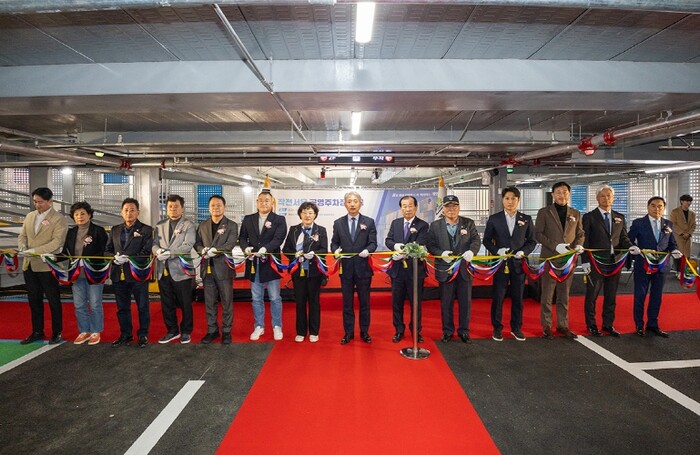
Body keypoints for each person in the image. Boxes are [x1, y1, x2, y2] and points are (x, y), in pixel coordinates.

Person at [483, 187, 536, 342]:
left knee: (518, 297)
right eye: (507, 198)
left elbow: (532, 241)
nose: (510, 202)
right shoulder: (494, 219)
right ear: (502, 200)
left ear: (518, 200)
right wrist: (497, 250)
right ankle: (497, 328)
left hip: (519, 264)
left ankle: (516, 327)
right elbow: (486, 240)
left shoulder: (526, 219)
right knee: (498, 297)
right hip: (501, 264)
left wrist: (524, 251)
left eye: (513, 198)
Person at [17, 187, 68, 344]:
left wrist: (34, 251)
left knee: (53, 300)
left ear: (50, 201)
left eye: (40, 202)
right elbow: (22, 236)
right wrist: (23, 248)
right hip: (29, 265)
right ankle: (37, 331)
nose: (37, 205)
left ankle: (57, 332)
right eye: (35, 202)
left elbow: (56, 242)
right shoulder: (30, 216)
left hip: (47, 266)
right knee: (34, 300)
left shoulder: (59, 219)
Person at [427, 195, 481, 343]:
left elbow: (476, 240)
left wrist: (472, 251)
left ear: (459, 207)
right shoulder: (435, 226)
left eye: (454, 206)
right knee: (446, 302)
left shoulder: (468, 223)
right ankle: (447, 331)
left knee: (465, 302)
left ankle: (464, 331)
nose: (451, 209)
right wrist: (441, 253)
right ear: (443, 209)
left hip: (464, 269)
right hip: (445, 269)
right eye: (448, 206)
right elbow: (430, 245)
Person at [534, 182, 584, 340]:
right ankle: (547, 326)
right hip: (550, 258)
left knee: (564, 294)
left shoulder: (576, 213)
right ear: (553, 195)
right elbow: (538, 234)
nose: (562, 195)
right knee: (547, 295)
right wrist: (555, 246)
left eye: (565, 192)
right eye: (558, 192)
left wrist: (579, 245)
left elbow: (580, 233)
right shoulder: (544, 212)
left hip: (569, 260)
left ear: (569, 194)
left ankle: (563, 325)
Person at [581, 185, 632, 337]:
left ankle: (608, 324)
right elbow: (585, 241)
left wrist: (631, 247)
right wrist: (584, 261)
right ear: (597, 198)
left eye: (609, 195)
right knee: (592, 296)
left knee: (611, 296)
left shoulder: (620, 217)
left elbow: (623, 238)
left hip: (614, 262)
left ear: (613, 198)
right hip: (595, 262)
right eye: (602, 196)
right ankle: (591, 325)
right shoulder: (589, 217)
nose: (606, 198)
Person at [628, 196, 681, 338]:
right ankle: (639, 325)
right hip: (643, 265)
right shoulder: (638, 223)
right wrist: (633, 247)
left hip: (661, 266)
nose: (657, 209)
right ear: (648, 207)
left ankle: (653, 324)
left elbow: (671, 243)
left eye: (660, 206)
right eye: (653, 205)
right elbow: (628, 240)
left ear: (663, 208)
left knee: (657, 296)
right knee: (640, 296)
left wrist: (675, 250)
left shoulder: (668, 224)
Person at [105, 198, 154, 348]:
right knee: (122, 307)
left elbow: (146, 251)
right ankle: (125, 334)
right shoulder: (115, 230)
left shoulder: (146, 230)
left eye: (132, 210)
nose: (129, 213)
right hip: (118, 274)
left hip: (138, 274)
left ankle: (143, 334)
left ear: (138, 212)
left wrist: (129, 259)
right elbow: (107, 250)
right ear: (121, 212)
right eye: (126, 210)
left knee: (142, 306)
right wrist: (114, 258)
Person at [239, 191, 287, 341]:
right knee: (256, 297)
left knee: (275, 297)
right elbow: (242, 237)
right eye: (260, 200)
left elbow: (279, 238)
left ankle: (277, 325)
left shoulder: (279, 219)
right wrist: (245, 248)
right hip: (254, 262)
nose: (263, 203)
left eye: (267, 200)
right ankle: (259, 326)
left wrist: (266, 248)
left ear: (272, 203)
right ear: (256, 202)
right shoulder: (249, 219)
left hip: (271, 263)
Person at [331, 191, 378, 344]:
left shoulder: (369, 222)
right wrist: (335, 250)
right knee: (347, 304)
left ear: (360, 203)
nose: (352, 204)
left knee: (365, 303)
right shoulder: (338, 223)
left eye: (355, 201)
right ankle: (348, 332)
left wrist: (368, 250)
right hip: (346, 269)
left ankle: (364, 332)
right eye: (349, 201)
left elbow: (373, 243)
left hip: (363, 269)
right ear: (345, 204)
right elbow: (334, 242)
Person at [62, 201, 108, 345]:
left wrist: (87, 261)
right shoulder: (71, 232)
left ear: (89, 215)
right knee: (79, 304)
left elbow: (105, 252)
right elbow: (65, 252)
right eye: (76, 214)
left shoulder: (98, 231)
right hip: (76, 274)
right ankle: (84, 331)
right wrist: (52, 257)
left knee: (95, 304)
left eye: (82, 213)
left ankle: (96, 331)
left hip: (94, 273)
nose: (79, 216)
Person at [384, 195, 429, 343]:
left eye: (410, 206)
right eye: (404, 206)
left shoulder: (422, 225)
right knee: (396, 303)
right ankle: (399, 330)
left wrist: (405, 252)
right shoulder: (396, 223)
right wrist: (394, 246)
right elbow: (388, 240)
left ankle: (416, 331)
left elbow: (420, 244)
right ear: (401, 208)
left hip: (415, 271)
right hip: (397, 271)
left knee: (416, 303)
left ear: (415, 207)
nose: (407, 209)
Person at [195, 195, 238, 345]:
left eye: (219, 205)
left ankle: (226, 331)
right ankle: (212, 330)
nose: (216, 208)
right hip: (207, 269)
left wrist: (216, 251)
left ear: (224, 207)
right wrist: (201, 250)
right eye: (213, 205)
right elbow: (197, 243)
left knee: (227, 301)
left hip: (224, 269)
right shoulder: (203, 225)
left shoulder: (231, 225)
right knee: (209, 302)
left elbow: (231, 243)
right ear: (209, 208)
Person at [152, 195, 196, 344]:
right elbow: (154, 243)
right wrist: (157, 251)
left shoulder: (189, 225)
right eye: (170, 206)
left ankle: (186, 331)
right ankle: (172, 330)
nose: (173, 209)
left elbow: (187, 245)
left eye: (176, 206)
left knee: (185, 303)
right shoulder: (160, 225)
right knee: (167, 303)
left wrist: (170, 253)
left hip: (181, 270)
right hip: (163, 270)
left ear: (182, 208)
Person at [282, 202, 328, 343]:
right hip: (298, 271)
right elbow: (286, 249)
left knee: (314, 302)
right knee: (300, 302)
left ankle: (314, 331)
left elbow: (324, 250)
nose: (307, 215)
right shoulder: (294, 229)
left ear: (315, 215)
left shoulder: (321, 230)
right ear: (300, 214)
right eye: (304, 212)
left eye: (310, 213)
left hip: (314, 272)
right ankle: (301, 331)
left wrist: (314, 254)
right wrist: (294, 255)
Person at [669, 194, 695, 268]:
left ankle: (685, 271)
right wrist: (682, 233)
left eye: (690, 201)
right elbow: (673, 224)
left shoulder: (692, 214)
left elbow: (694, 225)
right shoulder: (675, 212)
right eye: (687, 201)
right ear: (682, 201)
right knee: (677, 256)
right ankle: (677, 271)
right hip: (678, 237)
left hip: (688, 238)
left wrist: (689, 233)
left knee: (687, 257)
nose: (689, 203)